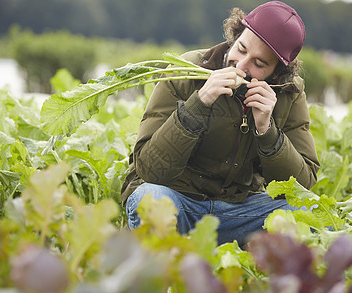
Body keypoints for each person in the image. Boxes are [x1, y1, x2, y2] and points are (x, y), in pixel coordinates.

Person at [121, 1, 320, 246]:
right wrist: (199, 103)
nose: (242, 65)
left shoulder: (288, 92)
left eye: (259, 64)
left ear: (277, 73)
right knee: (149, 200)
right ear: (235, 36)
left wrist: (267, 131)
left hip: (237, 212)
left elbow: (302, 187)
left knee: (313, 217)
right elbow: (149, 169)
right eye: (241, 49)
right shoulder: (186, 71)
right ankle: (165, 270)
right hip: (177, 202)